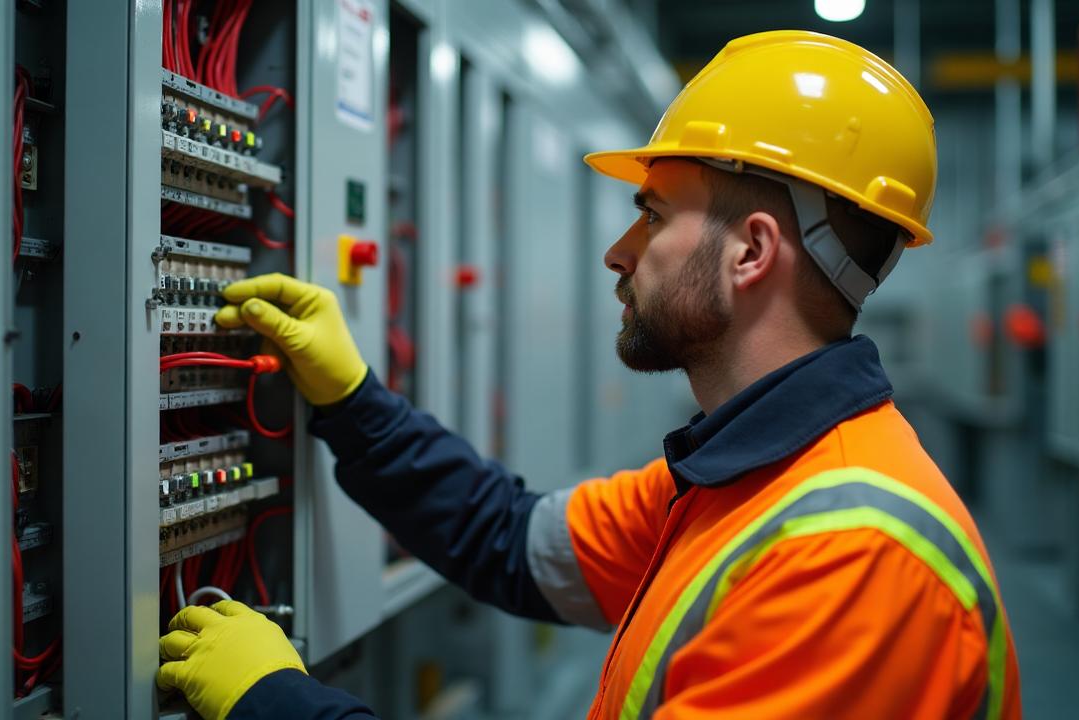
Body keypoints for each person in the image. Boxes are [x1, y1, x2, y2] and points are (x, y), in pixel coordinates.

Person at [156, 30, 1022, 720]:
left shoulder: (848, 560)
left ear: (752, 251)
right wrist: (353, 402)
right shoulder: (750, 480)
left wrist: (278, 703)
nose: (618, 252)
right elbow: (511, 540)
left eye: (652, 215)